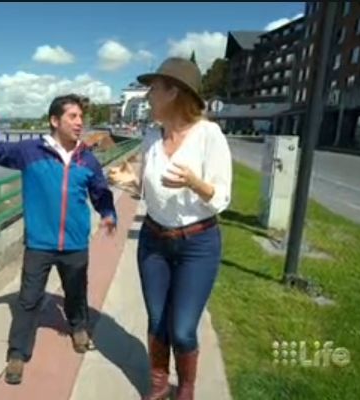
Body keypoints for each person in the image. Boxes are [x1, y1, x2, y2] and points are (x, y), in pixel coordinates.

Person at [0, 94, 117, 385]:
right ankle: (17, 353)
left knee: (76, 292)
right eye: (72, 116)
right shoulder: (30, 151)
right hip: (39, 243)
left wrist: (108, 213)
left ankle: (78, 328)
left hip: (75, 243)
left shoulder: (87, 159)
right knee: (28, 300)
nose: (79, 122)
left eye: (81, 117)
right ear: (54, 120)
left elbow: (100, 192)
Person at [134, 57, 232, 400]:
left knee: (183, 328)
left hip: (197, 245)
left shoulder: (209, 135)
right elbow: (145, 188)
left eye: (153, 89)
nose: (148, 96)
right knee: (157, 319)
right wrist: (128, 182)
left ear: (173, 92)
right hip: (153, 241)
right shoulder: (151, 137)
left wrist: (193, 182)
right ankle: (159, 383)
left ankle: (186, 387)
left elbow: (221, 198)